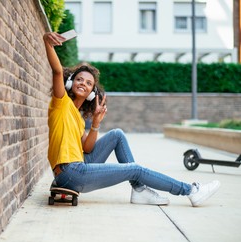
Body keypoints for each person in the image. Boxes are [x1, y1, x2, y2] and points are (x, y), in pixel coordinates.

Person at [43, 32, 220, 207]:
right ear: (70, 83)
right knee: (135, 169)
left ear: (92, 94)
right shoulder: (61, 103)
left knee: (117, 135)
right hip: (70, 172)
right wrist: (48, 43)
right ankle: (191, 191)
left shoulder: (78, 118)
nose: (83, 83)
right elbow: (57, 72)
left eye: (89, 83)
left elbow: (87, 148)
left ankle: (139, 190)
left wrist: (96, 122)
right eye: (79, 79)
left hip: (78, 168)